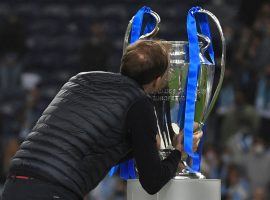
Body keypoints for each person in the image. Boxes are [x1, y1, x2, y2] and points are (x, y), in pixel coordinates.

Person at [1, 40, 203, 200]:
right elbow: (152, 182)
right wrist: (178, 151)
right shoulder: (139, 103)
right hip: (55, 188)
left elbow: (93, 145)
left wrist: (145, 146)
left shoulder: (80, 79)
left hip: (15, 180)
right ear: (158, 80)